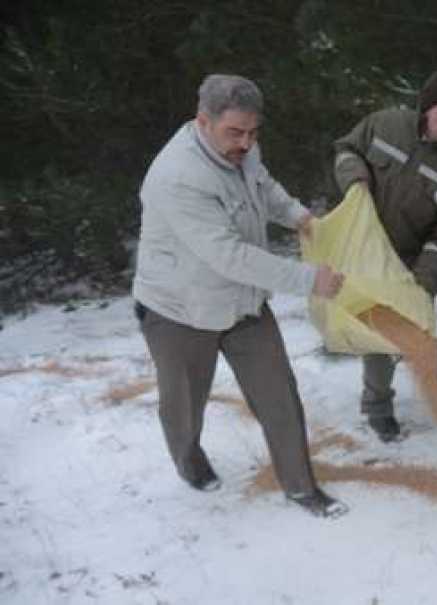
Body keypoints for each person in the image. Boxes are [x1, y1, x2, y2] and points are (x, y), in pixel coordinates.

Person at [132, 74, 348, 518]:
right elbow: (227, 255)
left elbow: (263, 187)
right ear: (202, 121)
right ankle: (190, 464)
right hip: (179, 311)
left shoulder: (243, 149)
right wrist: (309, 280)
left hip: (243, 303)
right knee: (185, 407)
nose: (246, 142)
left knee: (279, 397)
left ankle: (300, 487)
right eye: (235, 132)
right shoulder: (177, 178)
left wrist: (297, 215)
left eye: (253, 132)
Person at [332, 68, 437, 442]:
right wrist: (354, 178)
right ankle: (333, 343)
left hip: (404, 264)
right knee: (338, 311)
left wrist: (422, 282)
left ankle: (378, 407)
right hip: (356, 244)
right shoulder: (385, 124)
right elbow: (346, 149)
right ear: (426, 108)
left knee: (385, 337)